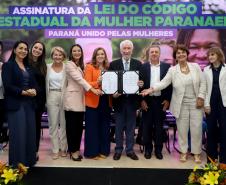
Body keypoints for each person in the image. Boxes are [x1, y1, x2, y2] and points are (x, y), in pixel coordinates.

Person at [141, 44, 206, 163]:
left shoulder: (195, 66)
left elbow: (203, 83)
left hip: (196, 103)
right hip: (181, 104)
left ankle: (196, 153)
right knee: (182, 129)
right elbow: (164, 83)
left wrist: (201, 97)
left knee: (197, 129)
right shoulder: (173, 70)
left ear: (187, 54)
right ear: (175, 57)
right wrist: (151, 89)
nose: (181, 55)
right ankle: (183, 152)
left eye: (183, 52)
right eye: (178, 53)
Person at [1, 40, 37, 167]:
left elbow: (34, 84)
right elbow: (8, 85)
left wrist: (34, 91)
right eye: (21, 48)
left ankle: (29, 160)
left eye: (25, 49)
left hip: (29, 104)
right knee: (18, 134)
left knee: (30, 132)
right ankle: (17, 163)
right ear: (15, 50)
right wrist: (23, 92)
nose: (23, 51)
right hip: (15, 104)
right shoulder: (8, 65)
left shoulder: (28, 67)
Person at [63, 44, 100, 161]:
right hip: (72, 99)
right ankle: (73, 151)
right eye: (74, 51)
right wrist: (93, 89)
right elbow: (80, 80)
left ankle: (77, 150)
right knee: (72, 128)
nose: (77, 53)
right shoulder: (69, 64)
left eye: (79, 51)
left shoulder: (80, 65)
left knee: (78, 128)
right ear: (71, 53)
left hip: (80, 100)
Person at [109, 40, 143, 161]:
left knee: (130, 128)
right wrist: (113, 94)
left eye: (129, 48)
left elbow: (142, 83)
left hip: (132, 102)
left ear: (132, 50)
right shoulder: (113, 64)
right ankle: (118, 150)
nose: (127, 51)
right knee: (118, 128)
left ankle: (129, 150)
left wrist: (141, 84)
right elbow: (110, 82)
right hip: (119, 101)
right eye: (125, 48)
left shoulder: (138, 64)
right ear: (121, 50)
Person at [139, 44, 172, 160]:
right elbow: (139, 85)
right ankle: (148, 149)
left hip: (160, 102)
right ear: (148, 54)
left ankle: (158, 149)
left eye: (156, 52)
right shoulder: (142, 67)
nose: (153, 54)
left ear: (159, 54)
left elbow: (169, 85)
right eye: (151, 52)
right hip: (147, 101)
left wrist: (168, 100)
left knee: (159, 127)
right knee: (146, 127)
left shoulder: (167, 67)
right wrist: (141, 101)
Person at [84, 47, 111, 159]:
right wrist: (97, 82)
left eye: (102, 54)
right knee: (92, 128)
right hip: (92, 101)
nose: (100, 56)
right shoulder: (89, 67)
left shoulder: (109, 68)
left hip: (106, 101)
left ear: (105, 56)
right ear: (95, 56)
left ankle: (104, 151)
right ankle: (92, 153)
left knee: (105, 127)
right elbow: (86, 83)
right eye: (98, 54)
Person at [204, 47, 226, 164]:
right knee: (211, 132)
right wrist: (206, 105)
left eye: (212, 54)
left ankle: (223, 161)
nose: (210, 57)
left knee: (224, 132)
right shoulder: (206, 70)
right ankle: (211, 160)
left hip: (224, 105)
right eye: (209, 55)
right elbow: (205, 89)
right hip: (210, 104)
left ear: (218, 55)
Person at [46, 46, 67, 160]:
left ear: (63, 56)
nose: (57, 57)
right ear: (52, 56)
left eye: (60, 55)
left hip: (65, 96)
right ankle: (55, 149)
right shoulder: (47, 67)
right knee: (53, 124)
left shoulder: (67, 67)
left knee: (64, 124)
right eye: (55, 54)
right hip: (51, 96)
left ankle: (63, 148)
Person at [29, 41, 47, 161]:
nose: (37, 50)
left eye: (40, 49)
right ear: (31, 49)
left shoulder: (43, 65)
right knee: (26, 127)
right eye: (35, 47)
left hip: (39, 102)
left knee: (35, 127)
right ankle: (25, 151)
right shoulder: (24, 62)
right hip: (26, 100)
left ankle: (34, 152)